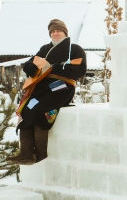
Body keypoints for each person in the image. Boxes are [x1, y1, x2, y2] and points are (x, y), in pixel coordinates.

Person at [6, 19, 87, 165]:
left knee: (42, 109)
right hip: (42, 88)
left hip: (61, 86)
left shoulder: (74, 49)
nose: (55, 33)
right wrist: (28, 67)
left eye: (58, 31)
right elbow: (30, 62)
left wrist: (57, 68)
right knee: (27, 109)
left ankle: (41, 154)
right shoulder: (45, 49)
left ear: (65, 33)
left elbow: (81, 71)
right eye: (53, 31)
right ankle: (26, 153)